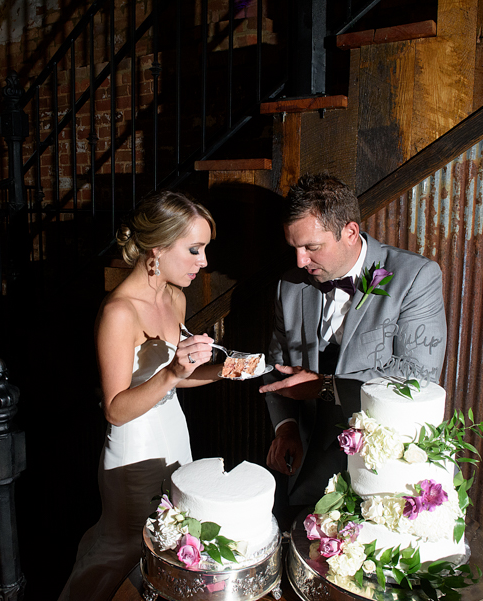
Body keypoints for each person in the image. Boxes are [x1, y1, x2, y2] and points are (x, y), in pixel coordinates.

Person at [60, 190, 222, 601]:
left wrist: (226, 370)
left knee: (172, 545)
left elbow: (176, 380)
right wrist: (171, 371)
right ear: (157, 249)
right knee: (131, 547)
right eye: (194, 250)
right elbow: (115, 410)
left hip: (173, 434)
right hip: (133, 453)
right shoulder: (119, 312)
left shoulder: (176, 298)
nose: (203, 262)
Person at [259, 173, 447, 515]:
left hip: (381, 465)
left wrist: (323, 387)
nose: (300, 261)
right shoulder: (289, 285)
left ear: (350, 232)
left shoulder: (416, 277)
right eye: (295, 248)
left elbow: (419, 377)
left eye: (312, 248)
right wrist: (285, 428)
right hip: (307, 460)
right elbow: (276, 366)